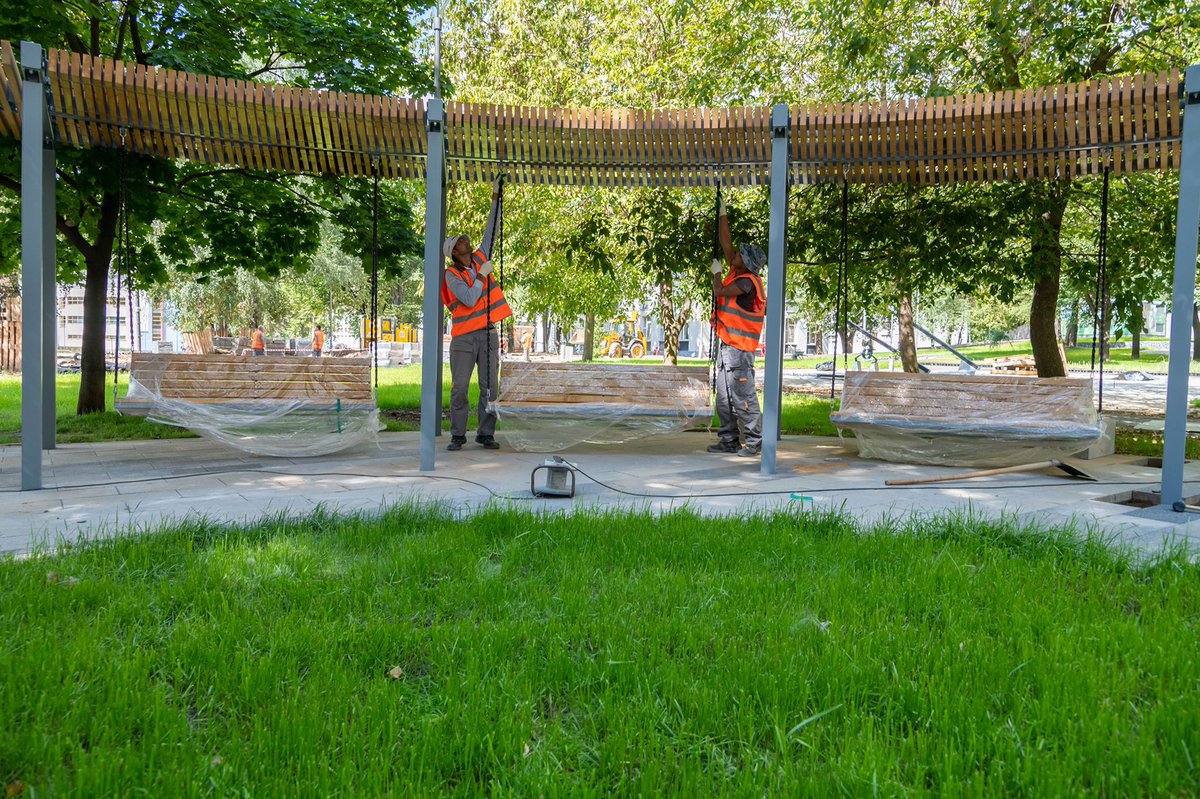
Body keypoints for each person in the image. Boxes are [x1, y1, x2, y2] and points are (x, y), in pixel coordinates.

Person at [440, 177, 512, 451]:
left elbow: (491, 230)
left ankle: (485, 434)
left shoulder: (481, 257)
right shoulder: (452, 275)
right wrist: (481, 276)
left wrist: (496, 196)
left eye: (464, 239)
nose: (464, 240)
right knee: (459, 387)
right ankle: (458, 435)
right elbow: (470, 299)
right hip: (464, 339)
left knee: (489, 388)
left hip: (488, 334)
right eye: (459, 241)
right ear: (453, 252)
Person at [707, 195, 766, 457]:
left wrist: (716, 273)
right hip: (727, 347)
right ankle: (728, 440)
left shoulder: (747, 283)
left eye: (740, 255)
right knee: (724, 397)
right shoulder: (737, 271)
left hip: (740, 351)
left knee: (743, 396)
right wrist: (722, 213)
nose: (735, 255)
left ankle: (754, 442)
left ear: (748, 263)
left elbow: (719, 291)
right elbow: (726, 242)